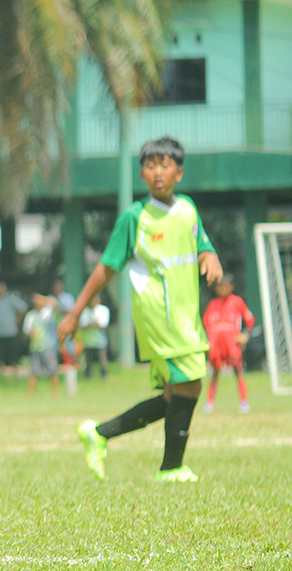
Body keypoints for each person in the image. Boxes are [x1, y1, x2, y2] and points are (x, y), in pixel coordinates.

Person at [57, 136, 223, 483]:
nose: (157, 172)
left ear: (179, 172)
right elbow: (106, 267)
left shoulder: (189, 209)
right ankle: (171, 469)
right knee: (192, 382)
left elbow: (201, 243)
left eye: (164, 165)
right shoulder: (135, 217)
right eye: (149, 166)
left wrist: (210, 255)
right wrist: (74, 313)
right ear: (142, 175)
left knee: (173, 396)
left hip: (184, 316)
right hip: (158, 317)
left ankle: (99, 433)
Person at [202, 274, 256, 413]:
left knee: (238, 371)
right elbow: (206, 324)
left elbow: (249, 319)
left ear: (231, 287)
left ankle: (244, 402)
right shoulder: (213, 304)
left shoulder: (237, 302)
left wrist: (245, 334)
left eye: (225, 286)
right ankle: (210, 402)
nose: (222, 289)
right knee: (215, 373)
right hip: (216, 345)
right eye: (219, 286)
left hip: (231, 345)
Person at [0, 281, 27, 374]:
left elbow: (23, 308)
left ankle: (15, 366)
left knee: (12, 349)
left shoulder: (11, 299)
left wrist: (17, 320)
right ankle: (0, 367)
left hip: (10, 329)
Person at [23, 293, 60, 397]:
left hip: (48, 345)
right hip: (35, 346)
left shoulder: (47, 313)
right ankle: (31, 393)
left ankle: (54, 392)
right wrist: (31, 334)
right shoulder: (31, 315)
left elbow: (56, 304)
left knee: (52, 369)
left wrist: (43, 298)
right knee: (34, 371)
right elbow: (27, 330)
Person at [78, 294, 110, 380]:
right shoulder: (85, 311)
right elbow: (83, 325)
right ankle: (88, 376)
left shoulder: (103, 310)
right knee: (88, 361)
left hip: (100, 340)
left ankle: (104, 376)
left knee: (102, 360)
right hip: (88, 341)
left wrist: (92, 325)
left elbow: (103, 324)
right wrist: (94, 325)